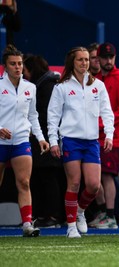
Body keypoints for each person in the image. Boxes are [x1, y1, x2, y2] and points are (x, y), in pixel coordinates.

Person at [47, 46, 114, 238]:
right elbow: (53, 116)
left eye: (87, 59)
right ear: (72, 62)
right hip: (70, 140)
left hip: (92, 141)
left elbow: (107, 112)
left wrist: (109, 134)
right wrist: (53, 141)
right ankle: (70, 227)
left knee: (93, 185)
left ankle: (80, 211)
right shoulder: (62, 87)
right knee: (74, 183)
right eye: (81, 60)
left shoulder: (98, 86)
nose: (85, 63)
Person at [0, 45, 50, 237]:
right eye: (13, 64)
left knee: (24, 182)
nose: (17, 67)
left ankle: (27, 224)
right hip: (1, 143)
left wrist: (40, 138)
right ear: (5, 66)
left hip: (21, 140)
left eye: (20, 63)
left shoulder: (30, 88)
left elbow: (33, 115)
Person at [23, 54, 66, 228]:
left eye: (24, 69)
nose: (23, 74)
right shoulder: (45, 84)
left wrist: (29, 123)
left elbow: (47, 115)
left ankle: (53, 216)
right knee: (43, 178)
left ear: (32, 70)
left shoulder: (47, 86)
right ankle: (44, 214)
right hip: (44, 137)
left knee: (49, 177)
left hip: (47, 138)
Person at [90, 42, 119, 229]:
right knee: (93, 175)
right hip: (93, 134)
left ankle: (110, 215)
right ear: (98, 58)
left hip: (113, 136)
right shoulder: (93, 79)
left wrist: (102, 124)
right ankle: (103, 211)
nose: (108, 60)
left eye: (111, 57)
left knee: (107, 175)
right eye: (105, 57)